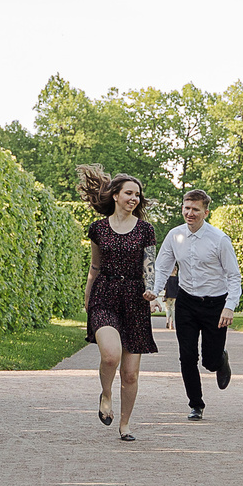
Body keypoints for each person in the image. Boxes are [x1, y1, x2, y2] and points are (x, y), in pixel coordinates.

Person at [77, 165, 157, 442]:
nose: (134, 198)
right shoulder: (97, 229)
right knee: (110, 355)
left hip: (135, 299)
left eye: (137, 195)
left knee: (131, 374)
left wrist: (150, 290)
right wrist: (88, 295)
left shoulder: (146, 229)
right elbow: (95, 266)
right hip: (105, 295)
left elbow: (149, 264)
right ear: (115, 195)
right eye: (129, 193)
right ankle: (106, 393)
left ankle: (125, 425)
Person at [153, 189, 241, 421]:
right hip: (186, 302)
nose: (189, 213)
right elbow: (163, 267)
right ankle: (196, 404)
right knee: (187, 355)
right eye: (186, 208)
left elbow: (233, 276)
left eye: (195, 209)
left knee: (209, 361)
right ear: (182, 207)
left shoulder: (219, 239)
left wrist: (229, 306)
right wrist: (154, 293)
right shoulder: (175, 235)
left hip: (215, 304)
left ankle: (220, 360)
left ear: (205, 212)